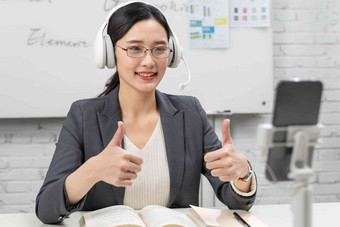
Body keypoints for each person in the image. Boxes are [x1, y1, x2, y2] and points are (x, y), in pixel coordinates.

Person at [35, 1, 257, 224]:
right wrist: (91, 170)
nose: (149, 61)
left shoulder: (190, 112)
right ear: (109, 53)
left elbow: (236, 201)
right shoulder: (84, 115)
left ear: (171, 55)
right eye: (135, 48)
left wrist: (242, 174)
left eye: (159, 49)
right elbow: (46, 209)